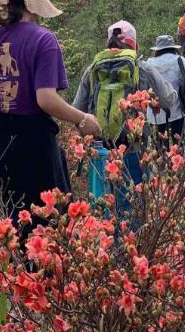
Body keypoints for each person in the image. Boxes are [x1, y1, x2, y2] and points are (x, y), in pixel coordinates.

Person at [0, 0, 102, 231]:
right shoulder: (43, 39)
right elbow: (46, 99)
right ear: (36, 2)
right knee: (40, 229)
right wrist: (82, 118)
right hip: (33, 144)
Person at [73, 21, 176, 220]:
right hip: (133, 150)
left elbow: (77, 110)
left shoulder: (93, 69)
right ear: (134, 45)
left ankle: (104, 248)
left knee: (102, 210)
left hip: (100, 151)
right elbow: (169, 99)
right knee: (131, 211)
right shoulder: (142, 68)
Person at [142, 35, 185, 147]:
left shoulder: (150, 63)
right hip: (176, 106)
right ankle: (178, 163)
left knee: (160, 145)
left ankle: (163, 162)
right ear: (173, 47)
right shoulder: (178, 60)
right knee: (178, 143)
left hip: (156, 109)